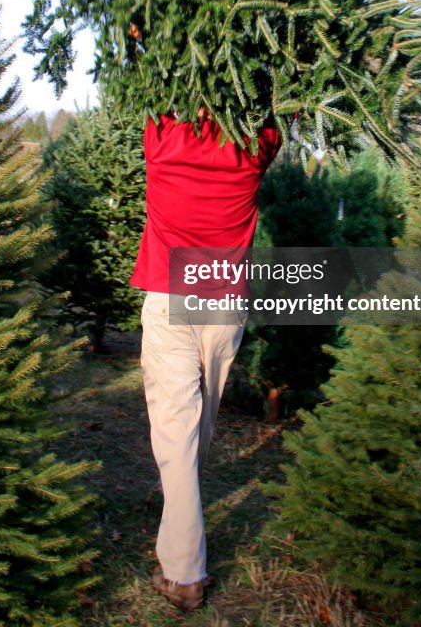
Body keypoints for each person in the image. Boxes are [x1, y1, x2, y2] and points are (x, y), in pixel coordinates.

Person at [130, 109, 281, 611]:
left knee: (180, 432)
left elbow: (146, 70)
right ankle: (184, 570)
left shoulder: (163, 137)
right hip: (224, 308)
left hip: (170, 298)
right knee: (197, 428)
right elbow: (288, 103)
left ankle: (183, 552)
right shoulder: (254, 146)